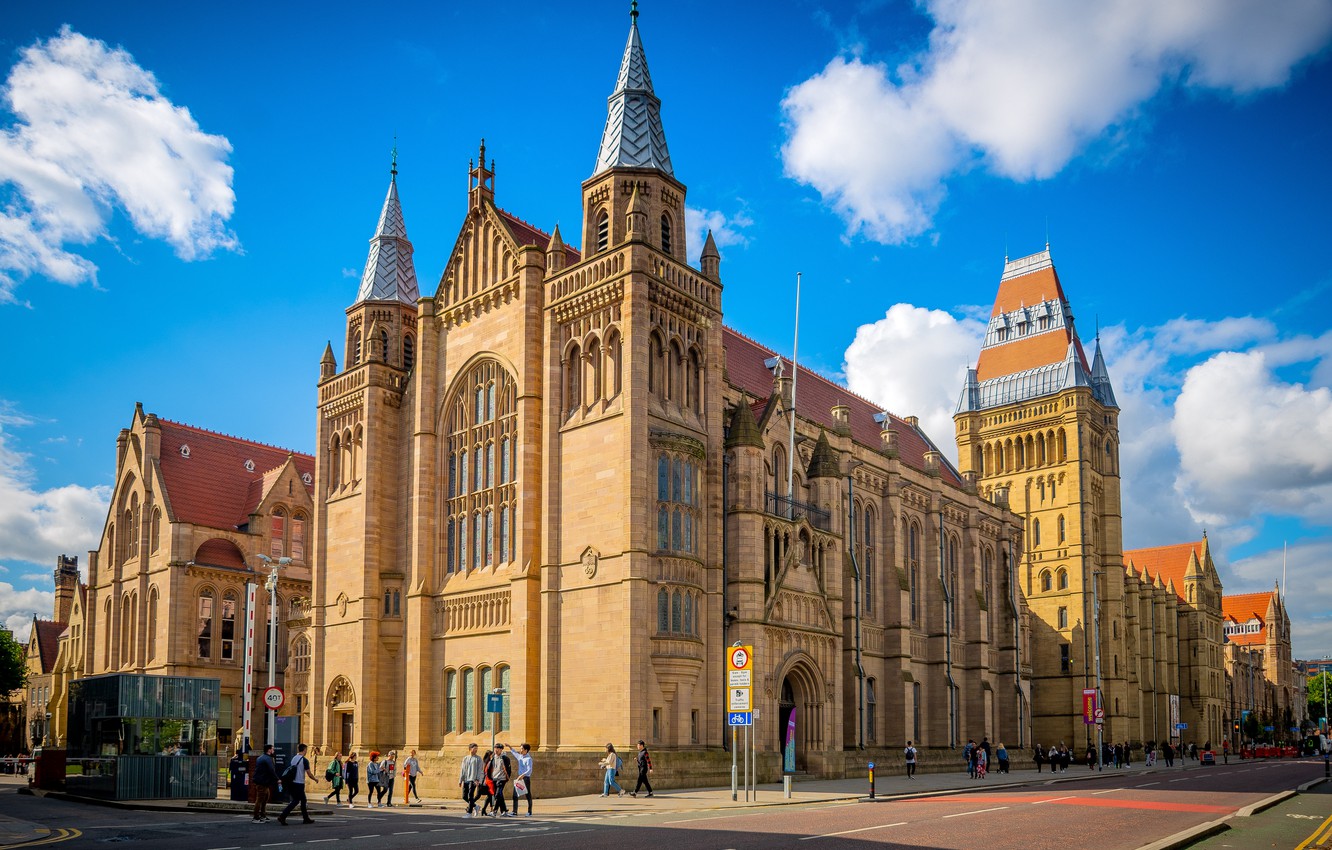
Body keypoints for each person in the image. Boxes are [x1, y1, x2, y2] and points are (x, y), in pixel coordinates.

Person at [278, 742, 318, 825]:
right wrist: (315, 779)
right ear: (304, 750)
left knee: (303, 800)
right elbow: (309, 773)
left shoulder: (294, 758)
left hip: (292, 782)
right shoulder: (304, 760)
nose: (306, 751)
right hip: (299, 783)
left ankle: (306, 818)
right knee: (296, 801)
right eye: (306, 750)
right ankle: (282, 816)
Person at [252, 744, 279, 824]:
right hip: (262, 782)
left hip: (263, 782)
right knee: (259, 800)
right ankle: (256, 817)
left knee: (265, 798)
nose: (273, 751)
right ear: (269, 750)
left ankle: (262, 815)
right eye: (272, 749)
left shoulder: (260, 757)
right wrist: (277, 779)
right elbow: (271, 770)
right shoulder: (267, 759)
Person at [459, 743, 483, 818]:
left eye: (476, 748)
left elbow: (480, 770)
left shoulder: (478, 759)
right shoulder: (465, 758)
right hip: (466, 779)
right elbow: (462, 769)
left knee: (470, 795)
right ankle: (475, 806)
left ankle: (469, 813)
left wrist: (477, 779)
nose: (476, 750)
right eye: (474, 748)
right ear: (470, 749)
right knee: (464, 796)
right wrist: (460, 780)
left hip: (473, 780)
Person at [489, 743, 512, 817]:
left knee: (498, 794)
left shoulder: (505, 758)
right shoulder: (493, 757)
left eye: (498, 749)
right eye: (495, 748)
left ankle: (494, 811)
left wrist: (507, 777)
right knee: (499, 796)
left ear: (501, 749)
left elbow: (509, 769)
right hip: (494, 778)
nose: (496, 750)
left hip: (502, 779)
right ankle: (504, 811)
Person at [511, 742, 534, 815]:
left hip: (525, 778)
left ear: (526, 750)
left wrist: (522, 775)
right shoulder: (520, 757)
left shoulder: (528, 759)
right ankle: (514, 811)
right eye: (520, 748)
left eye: (522, 749)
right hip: (520, 778)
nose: (520, 750)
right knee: (515, 794)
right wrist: (509, 747)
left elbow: (529, 770)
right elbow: (515, 753)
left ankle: (529, 812)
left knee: (527, 795)